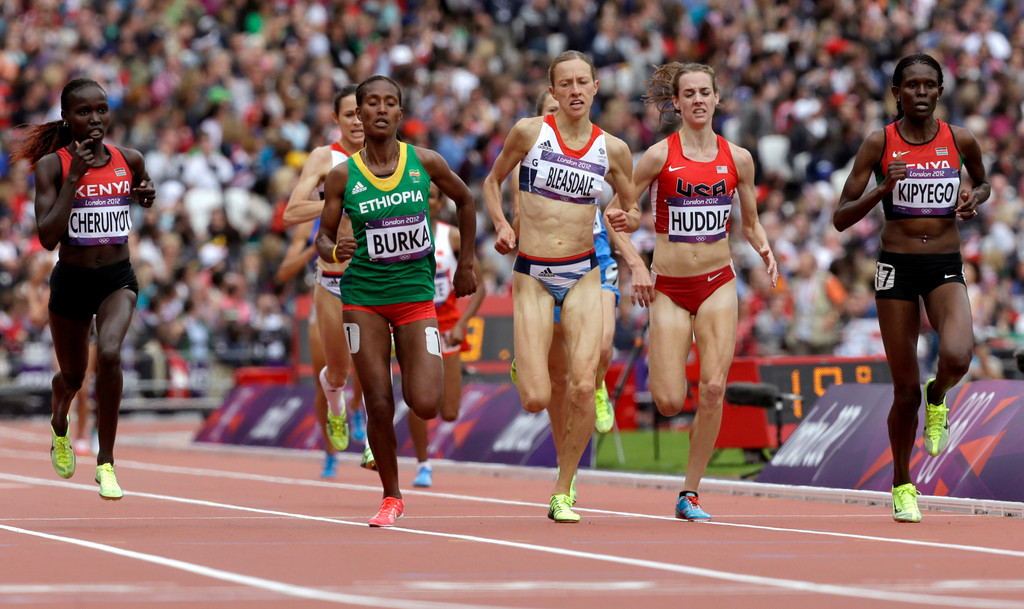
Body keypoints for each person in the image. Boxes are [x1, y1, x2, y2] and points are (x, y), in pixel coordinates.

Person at [484, 51, 642, 523]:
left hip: (583, 272)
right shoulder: (529, 132)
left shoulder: (613, 149)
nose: (575, 91)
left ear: (595, 88)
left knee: (582, 385)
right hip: (533, 272)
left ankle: (563, 489)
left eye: (582, 82)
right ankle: (524, 361)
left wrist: (627, 219)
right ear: (553, 92)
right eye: (565, 84)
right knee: (536, 397)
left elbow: (633, 208)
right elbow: (492, 182)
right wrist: (501, 225)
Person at [833, 53, 989, 523]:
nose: (920, 92)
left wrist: (972, 199)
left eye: (928, 85)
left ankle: (938, 395)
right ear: (896, 92)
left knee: (958, 356)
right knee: (904, 393)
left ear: (940, 91)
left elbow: (982, 184)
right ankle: (903, 484)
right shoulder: (878, 142)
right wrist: (882, 190)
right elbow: (840, 218)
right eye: (912, 85)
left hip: (943, 263)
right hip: (896, 268)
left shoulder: (960, 140)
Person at [316, 75, 478, 527]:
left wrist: (466, 264)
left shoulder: (424, 162)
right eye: (372, 103)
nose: (381, 109)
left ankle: (411, 383)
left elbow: (466, 201)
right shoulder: (342, 175)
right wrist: (335, 250)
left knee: (425, 402)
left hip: (414, 298)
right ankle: (391, 495)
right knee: (378, 400)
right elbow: (323, 238)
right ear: (360, 113)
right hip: (363, 298)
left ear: (400, 114)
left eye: (390, 103)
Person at [629, 62, 778, 520]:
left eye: (704, 92)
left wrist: (765, 247)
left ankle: (689, 492)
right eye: (688, 93)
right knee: (669, 401)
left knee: (713, 387)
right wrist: (634, 260)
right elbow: (621, 212)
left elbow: (750, 223)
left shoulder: (739, 158)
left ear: (716, 99)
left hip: (717, 283)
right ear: (676, 103)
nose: (697, 100)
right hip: (669, 288)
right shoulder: (657, 156)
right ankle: (687, 448)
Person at [12, 78, 155, 499]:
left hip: (117, 279)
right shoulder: (52, 167)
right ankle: (60, 422)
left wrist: (145, 194)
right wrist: (74, 178)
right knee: (73, 377)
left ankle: (106, 462)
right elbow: (47, 237)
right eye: (84, 111)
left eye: (101, 110)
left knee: (109, 354)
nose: (95, 119)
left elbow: (143, 189)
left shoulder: (129, 158)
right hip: (72, 284)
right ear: (66, 117)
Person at [277, 85, 368, 477]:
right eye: (349, 115)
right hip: (332, 279)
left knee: (374, 368)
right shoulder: (323, 157)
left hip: (375, 276)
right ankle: (336, 408)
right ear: (336, 119)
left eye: (362, 113)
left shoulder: (392, 155)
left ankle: (372, 440)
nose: (358, 121)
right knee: (338, 372)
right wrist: (335, 202)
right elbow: (291, 212)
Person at [405, 183, 487, 488]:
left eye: (432, 197)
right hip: (415, 325)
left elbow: (481, 287)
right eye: (422, 195)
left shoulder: (451, 237)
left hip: (447, 329)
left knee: (449, 412)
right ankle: (422, 464)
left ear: (440, 204)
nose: (426, 201)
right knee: (420, 401)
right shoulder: (401, 233)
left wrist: (463, 323)